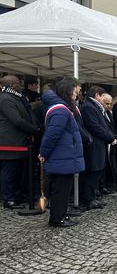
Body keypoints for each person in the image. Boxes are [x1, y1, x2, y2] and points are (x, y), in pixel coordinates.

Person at [39, 79, 85, 227]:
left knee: (63, 188)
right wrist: (43, 153)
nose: (76, 93)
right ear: (67, 91)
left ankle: (60, 215)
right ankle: (57, 218)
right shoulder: (61, 110)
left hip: (63, 155)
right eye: (74, 90)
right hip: (62, 156)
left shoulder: (62, 108)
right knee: (61, 189)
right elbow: (52, 135)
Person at [0, 75, 39, 209]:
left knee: (17, 171)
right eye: (18, 83)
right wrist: (34, 129)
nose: (20, 85)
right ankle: (8, 198)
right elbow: (16, 120)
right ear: (12, 86)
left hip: (18, 141)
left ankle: (16, 195)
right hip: (9, 142)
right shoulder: (5, 99)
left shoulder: (16, 97)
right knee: (9, 171)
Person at [80, 86, 117, 210]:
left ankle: (93, 197)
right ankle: (88, 199)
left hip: (99, 144)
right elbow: (95, 127)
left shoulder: (93, 106)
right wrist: (110, 138)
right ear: (97, 95)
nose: (103, 99)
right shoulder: (88, 107)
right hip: (93, 145)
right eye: (102, 96)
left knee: (97, 171)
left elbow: (103, 125)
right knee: (92, 172)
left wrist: (110, 136)